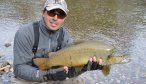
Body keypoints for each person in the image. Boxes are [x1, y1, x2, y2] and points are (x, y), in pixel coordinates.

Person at [12, 0, 103, 84]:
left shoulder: (65, 38)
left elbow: (69, 72)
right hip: (29, 78)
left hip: (53, 77)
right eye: (52, 13)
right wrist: (46, 75)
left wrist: (85, 68)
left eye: (60, 15)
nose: (55, 18)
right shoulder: (25, 33)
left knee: (78, 80)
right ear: (43, 13)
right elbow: (19, 69)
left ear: (64, 18)